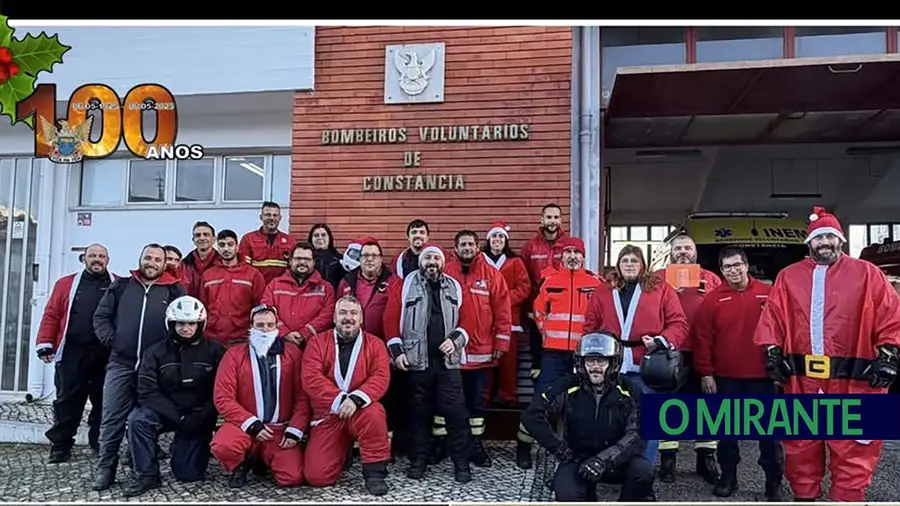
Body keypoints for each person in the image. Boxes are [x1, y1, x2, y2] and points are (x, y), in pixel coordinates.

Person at [754, 206, 900, 502]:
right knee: (800, 449)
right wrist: (771, 352)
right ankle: (805, 498)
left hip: (856, 384)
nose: (825, 243)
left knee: (855, 452)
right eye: (819, 238)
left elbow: (891, 316)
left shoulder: (868, 274)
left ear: (841, 241)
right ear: (809, 244)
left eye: (830, 237)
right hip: (802, 382)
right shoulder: (789, 277)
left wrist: (888, 355)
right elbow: (774, 318)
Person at [583, 245, 689, 466]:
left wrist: (660, 341)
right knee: (610, 422)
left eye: (634, 260)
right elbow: (590, 326)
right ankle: (612, 469)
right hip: (611, 364)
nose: (629, 264)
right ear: (617, 265)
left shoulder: (661, 288)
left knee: (647, 424)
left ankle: (643, 473)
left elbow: (679, 323)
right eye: (625, 260)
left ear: (643, 264)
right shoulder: (603, 290)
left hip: (647, 364)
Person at [91, 243, 185, 491]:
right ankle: (106, 468)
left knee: (143, 419)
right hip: (121, 363)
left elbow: (183, 327)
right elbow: (101, 317)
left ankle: (141, 466)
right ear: (140, 259)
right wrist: (113, 340)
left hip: (155, 369)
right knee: (111, 418)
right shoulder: (121, 286)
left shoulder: (174, 289)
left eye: (157, 259)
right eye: (148, 257)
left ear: (165, 264)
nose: (151, 262)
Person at [521, 331, 655, 502]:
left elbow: (637, 433)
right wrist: (559, 449)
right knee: (566, 493)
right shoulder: (567, 384)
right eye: (590, 360)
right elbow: (532, 416)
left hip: (616, 460)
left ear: (614, 362)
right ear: (581, 362)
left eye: (602, 360)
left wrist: (602, 460)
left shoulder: (629, 389)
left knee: (643, 472)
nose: (595, 367)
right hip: (577, 459)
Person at [693, 246, 783, 500]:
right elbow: (702, 339)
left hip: (764, 378)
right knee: (728, 434)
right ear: (721, 271)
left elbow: (783, 331)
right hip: (726, 378)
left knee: (769, 435)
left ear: (746, 265)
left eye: (737, 265)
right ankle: (728, 477)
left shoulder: (768, 294)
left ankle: (773, 483)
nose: (733, 270)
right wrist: (706, 373)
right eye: (727, 267)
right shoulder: (712, 300)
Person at [383, 243, 473, 482]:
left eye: (436, 257)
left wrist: (456, 340)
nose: (431, 261)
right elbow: (390, 318)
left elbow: (470, 320)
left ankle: (461, 464)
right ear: (420, 262)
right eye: (427, 258)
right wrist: (396, 350)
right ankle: (418, 460)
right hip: (416, 363)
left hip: (448, 364)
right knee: (417, 415)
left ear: (442, 262)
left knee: (456, 415)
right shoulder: (403, 286)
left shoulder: (455, 286)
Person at [123, 296, 225, 497]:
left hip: (198, 417)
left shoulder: (216, 351)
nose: (185, 328)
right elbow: (146, 391)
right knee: (138, 420)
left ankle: (183, 447)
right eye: (180, 323)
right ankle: (147, 475)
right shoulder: (155, 352)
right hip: (167, 413)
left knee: (189, 474)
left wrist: (203, 416)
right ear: (171, 323)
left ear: (200, 324)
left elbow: (222, 390)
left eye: (191, 323)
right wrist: (178, 417)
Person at [517, 237, 601, 469]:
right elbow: (538, 312)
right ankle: (523, 446)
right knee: (540, 403)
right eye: (568, 252)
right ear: (561, 256)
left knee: (581, 406)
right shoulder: (549, 281)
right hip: (553, 356)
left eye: (577, 252)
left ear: (583, 257)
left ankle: (573, 452)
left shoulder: (596, 282)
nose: (573, 256)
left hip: (582, 357)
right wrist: (547, 334)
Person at [210, 304, 310, 488]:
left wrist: (296, 428)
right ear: (251, 326)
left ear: (277, 327)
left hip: (278, 429)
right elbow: (222, 396)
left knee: (292, 477)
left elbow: (303, 396)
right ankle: (240, 464)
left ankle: (263, 459)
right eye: (260, 325)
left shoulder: (293, 353)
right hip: (244, 426)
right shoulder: (234, 354)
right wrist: (250, 423)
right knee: (223, 446)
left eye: (270, 325)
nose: (265, 330)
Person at [302, 296, 392, 496]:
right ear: (334, 317)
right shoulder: (316, 343)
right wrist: (342, 400)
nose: (348, 318)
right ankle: (342, 453)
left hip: (361, 410)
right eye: (343, 313)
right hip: (329, 414)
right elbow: (311, 379)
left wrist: (356, 399)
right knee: (317, 477)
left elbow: (380, 377)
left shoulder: (375, 344)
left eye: (353, 313)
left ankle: (375, 474)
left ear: (361, 318)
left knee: (375, 413)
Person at [36, 243, 116, 462]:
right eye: (92, 256)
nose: (97, 259)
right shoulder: (65, 284)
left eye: (101, 256)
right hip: (72, 352)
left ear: (107, 259)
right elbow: (52, 313)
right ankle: (61, 445)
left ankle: (99, 441)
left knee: (104, 402)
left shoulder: (118, 284)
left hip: (105, 354)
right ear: (84, 259)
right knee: (67, 401)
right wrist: (45, 342)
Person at [441, 229, 512, 467]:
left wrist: (502, 341)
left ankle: (475, 446)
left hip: (482, 353)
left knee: (477, 403)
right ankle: (444, 445)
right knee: (448, 402)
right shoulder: (445, 272)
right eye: (463, 244)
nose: (467, 248)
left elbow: (503, 310)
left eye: (471, 244)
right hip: (452, 354)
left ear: (477, 246)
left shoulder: (491, 274)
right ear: (456, 247)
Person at [655, 233, 721, 484]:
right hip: (669, 351)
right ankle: (668, 459)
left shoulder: (711, 278)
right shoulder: (659, 279)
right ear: (670, 252)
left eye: (688, 248)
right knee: (668, 405)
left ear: (696, 252)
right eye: (679, 248)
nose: (683, 252)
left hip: (703, 351)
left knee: (706, 406)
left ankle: (706, 457)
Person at [482, 221, 532, 408]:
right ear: (488, 240)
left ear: (506, 240)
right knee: (485, 362)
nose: (497, 240)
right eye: (494, 236)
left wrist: (503, 300)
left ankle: (508, 397)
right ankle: (484, 398)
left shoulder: (515, 262)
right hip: (483, 322)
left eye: (501, 236)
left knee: (508, 363)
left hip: (509, 320)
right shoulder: (480, 261)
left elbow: (524, 287)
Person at [261, 241, 336, 347]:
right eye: (298, 258)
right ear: (290, 261)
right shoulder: (274, 285)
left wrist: (305, 333)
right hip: (279, 345)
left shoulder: (326, 288)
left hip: (313, 346)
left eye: (307, 259)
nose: (302, 262)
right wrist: (284, 332)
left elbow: (328, 314)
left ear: (314, 262)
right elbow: (267, 311)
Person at [199, 229, 266, 347]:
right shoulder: (207, 275)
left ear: (237, 246)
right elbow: (202, 308)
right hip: (212, 338)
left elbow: (259, 307)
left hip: (242, 338)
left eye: (230, 244)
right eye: (222, 245)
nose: (226, 249)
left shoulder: (253, 274)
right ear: (217, 247)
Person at [238, 201, 294, 284]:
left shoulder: (290, 241)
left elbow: (292, 269)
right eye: (268, 215)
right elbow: (244, 269)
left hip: (281, 290)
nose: (272, 218)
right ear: (261, 217)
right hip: (256, 289)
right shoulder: (248, 239)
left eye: (275, 215)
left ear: (280, 218)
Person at [180, 221, 220, 298]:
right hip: (190, 308)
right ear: (193, 240)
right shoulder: (184, 265)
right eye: (198, 235)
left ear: (214, 239)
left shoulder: (222, 263)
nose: (202, 238)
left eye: (206, 235)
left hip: (215, 309)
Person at [308, 223, 344, 288]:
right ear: (311, 239)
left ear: (329, 237)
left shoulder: (339, 259)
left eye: (323, 235)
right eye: (316, 235)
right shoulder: (305, 259)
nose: (320, 238)